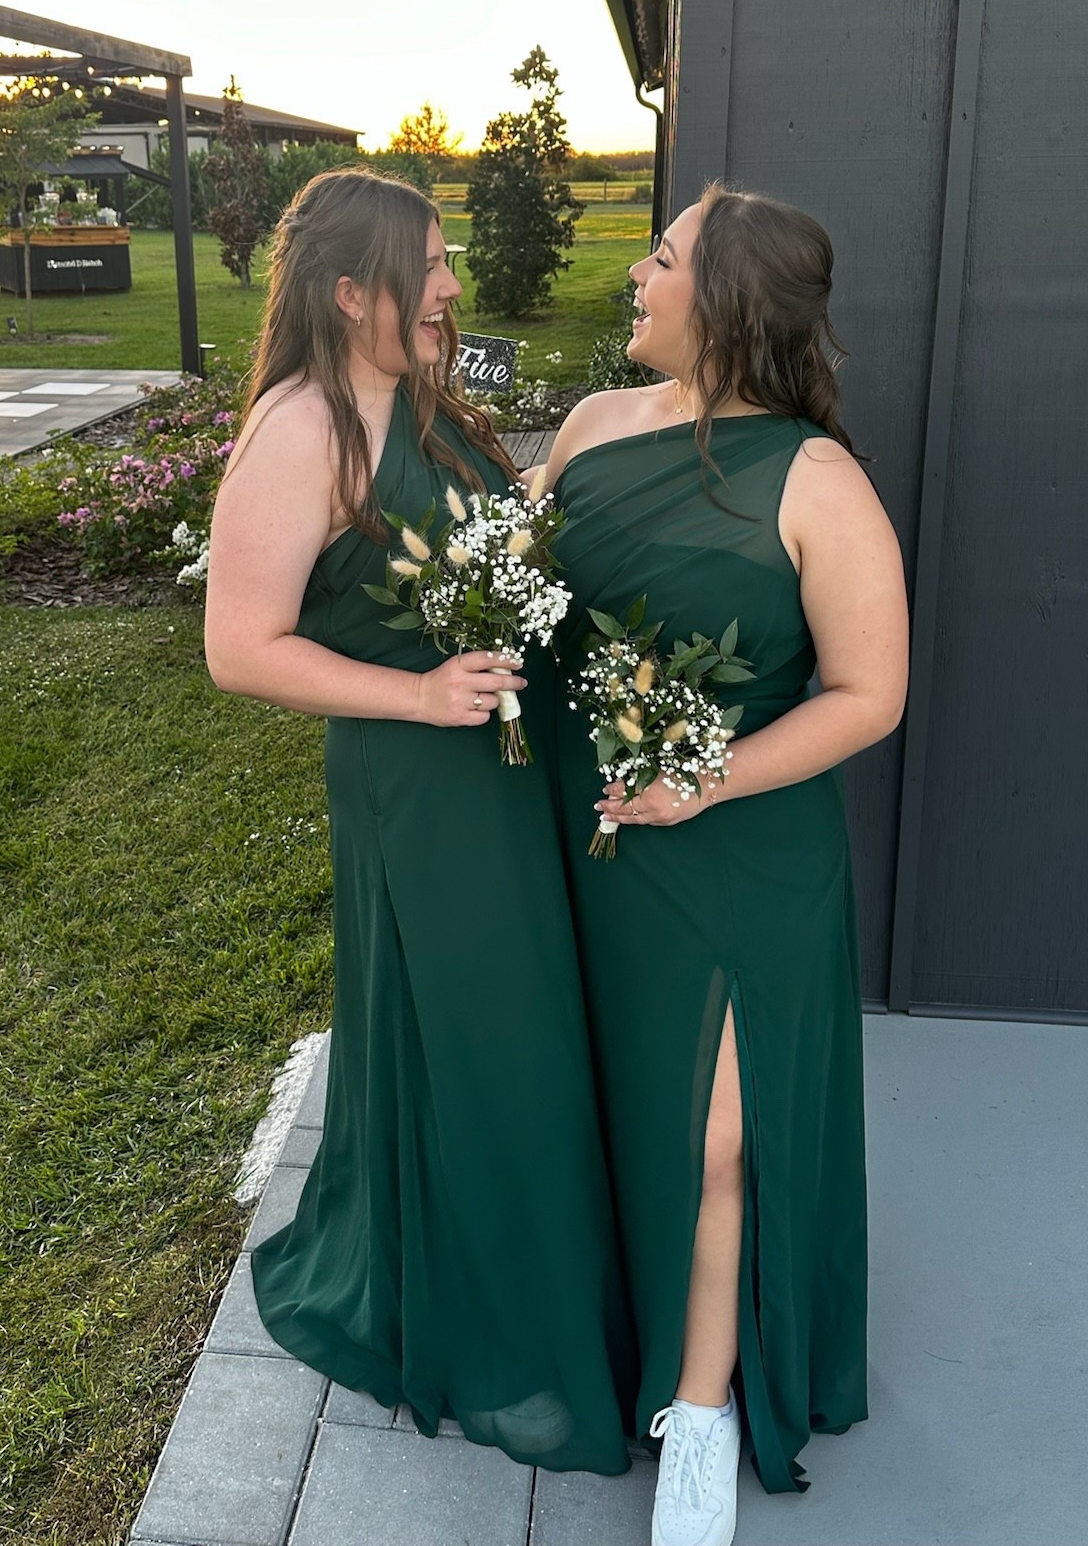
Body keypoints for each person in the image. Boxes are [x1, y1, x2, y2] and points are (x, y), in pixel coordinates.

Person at [203, 166, 635, 1474]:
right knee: (474, 1033)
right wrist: (419, 692)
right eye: (429, 264)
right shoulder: (302, 430)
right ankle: (475, 1301)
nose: (451, 284)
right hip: (419, 783)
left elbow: (486, 541)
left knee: (522, 1024)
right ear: (351, 291)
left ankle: (546, 1264)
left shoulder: (428, 398)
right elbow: (239, 649)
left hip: (504, 766)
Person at [546, 184, 909, 1545]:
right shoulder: (589, 426)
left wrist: (705, 778)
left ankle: (698, 1411)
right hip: (588, 832)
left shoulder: (820, 481)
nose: (637, 278)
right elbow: (521, 596)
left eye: (662, 259)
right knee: (596, 1092)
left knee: (717, 1139)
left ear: (728, 302)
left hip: (742, 845)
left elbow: (870, 694)